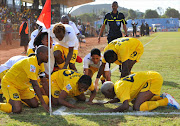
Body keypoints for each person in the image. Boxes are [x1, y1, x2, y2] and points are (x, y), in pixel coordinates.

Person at [0, 45, 49, 113]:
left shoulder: (40, 64)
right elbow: (35, 85)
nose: (49, 56)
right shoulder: (31, 63)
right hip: (10, 84)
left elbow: (44, 81)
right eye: (47, 54)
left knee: (34, 104)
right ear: (41, 54)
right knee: (17, 109)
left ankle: (17, 99)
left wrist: (50, 98)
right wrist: (43, 103)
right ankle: (14, 99)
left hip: (23, 87)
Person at [99, 71, 180, 112]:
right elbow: (121, 98)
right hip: (151, 76)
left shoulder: (119, 89)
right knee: (135, 101)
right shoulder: (117, 84)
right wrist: (107, 103)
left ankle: (166, 101)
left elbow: (125, 106)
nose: (106, 97)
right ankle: (160, 97)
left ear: (109, 90)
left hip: (152, 80)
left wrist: (111, 110)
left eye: (105, 94)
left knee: (137, 107)